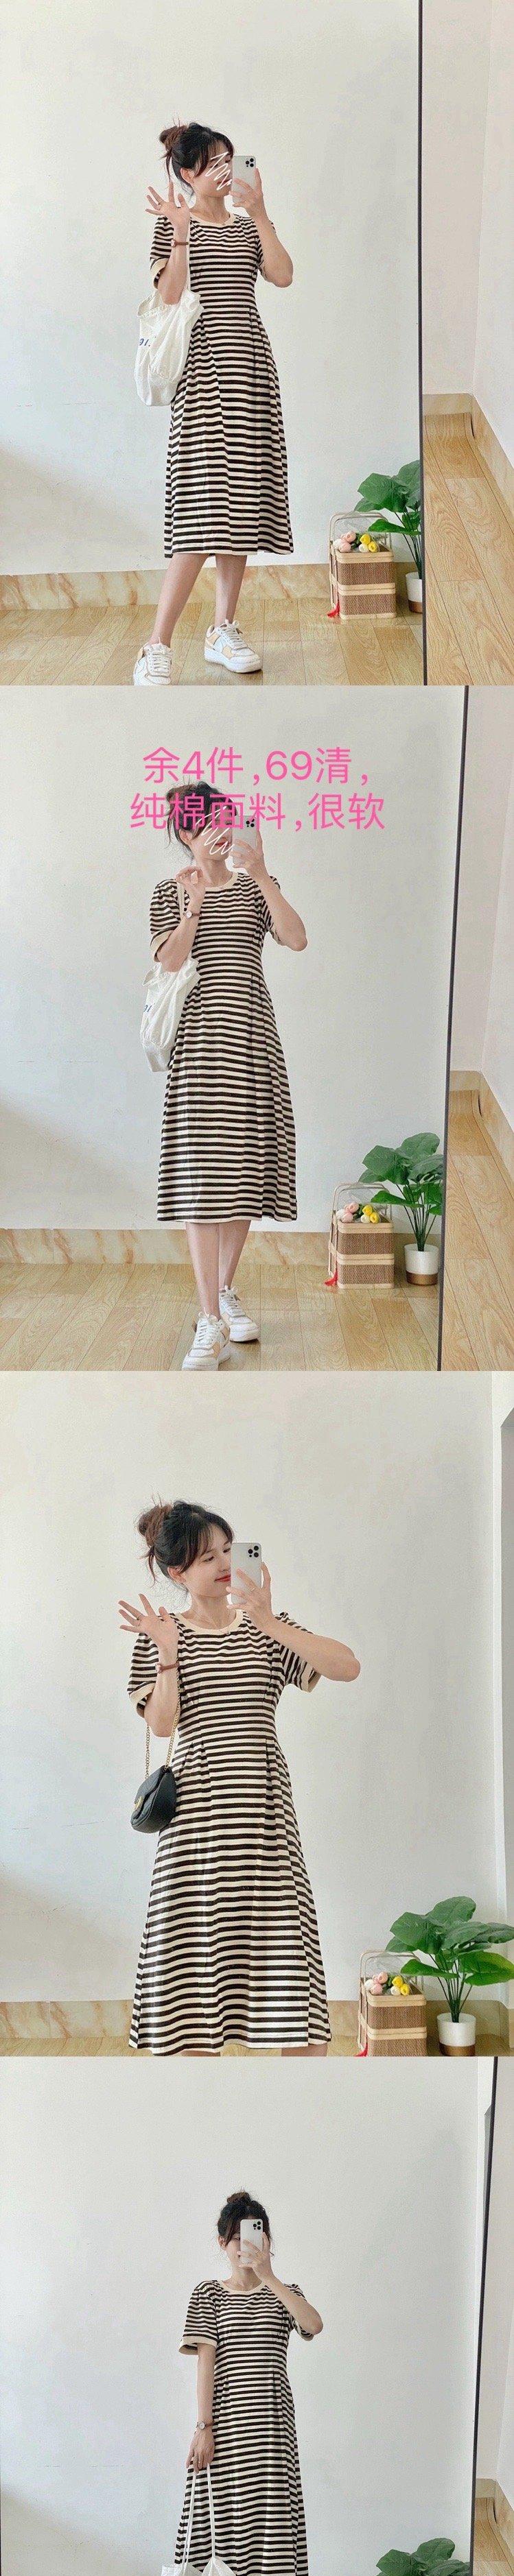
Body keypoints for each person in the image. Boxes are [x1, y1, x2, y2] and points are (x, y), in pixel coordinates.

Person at [120, 1497, 360, 2054]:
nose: (226, 1563)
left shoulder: (265, 1628)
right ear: (177, 1573)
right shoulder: (161, 1634)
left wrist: (270, 1622)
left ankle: (297, 2098)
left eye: (229, 1549)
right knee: (193, 1967)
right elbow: (163, 1725)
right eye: (208, 1557)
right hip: (196, 1826)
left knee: (283, 1961)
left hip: (264, 1820)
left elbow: (346, 1667)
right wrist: (167, 1654)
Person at [146, 779, 305, 1373]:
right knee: (200, 1180)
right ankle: (208, 1319)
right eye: (202, 824)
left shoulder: (256, 886)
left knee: (242, 1174)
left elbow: (296, 939)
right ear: (185, 834)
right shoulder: (169, 891)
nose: (216, 831)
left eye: (223, 819)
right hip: (200, 1049)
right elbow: (169, 961)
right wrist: (192, 905)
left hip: (253, 1044)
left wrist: (261, 873)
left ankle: (224, 1292)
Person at [134, 123, 293, 686]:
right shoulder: (173, 223)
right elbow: (169, 295)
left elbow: (282, 275)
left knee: (239, 507)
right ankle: (156, 643)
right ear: (186, 173)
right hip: (203, 376)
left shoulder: (248, 226)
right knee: (201, 512)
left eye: (230, 160)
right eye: (212, 163)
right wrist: (179, 234)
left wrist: (260, 210)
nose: (225, 170)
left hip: (251, 371)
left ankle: (223, 629)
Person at [174, 2186, 323, 2576]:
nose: (246, 2246)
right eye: (237, 2238)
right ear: (223, 2243)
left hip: (273, 2445)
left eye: (256, 2236)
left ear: (267, 2240)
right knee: (220, 2568)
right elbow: (205, 2365)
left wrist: (270, 2277)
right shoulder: (207, 2295)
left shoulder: (285, 2293)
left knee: (268, 2565)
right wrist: (203, 2428)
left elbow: (313, 2325)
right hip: (226, 2443)